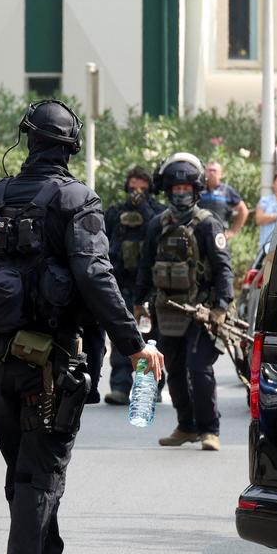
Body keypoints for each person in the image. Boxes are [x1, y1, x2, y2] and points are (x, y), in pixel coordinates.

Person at [0, 100, 164, 554]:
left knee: (26, 475)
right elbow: (95, 275)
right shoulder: (75, 200)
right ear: (71, 146)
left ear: (27, 141)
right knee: (40, 479)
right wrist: (135, 344)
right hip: (51, 361)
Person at [135, 153, 234, 451]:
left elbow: (223, 268)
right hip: (168, 311)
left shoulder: (208, 225)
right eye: (176, 190)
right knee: (174, 369)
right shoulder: (157, 225)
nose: (180, 195)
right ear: (168, 191)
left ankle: (209, 430)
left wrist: (221, 307)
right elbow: (145, 266)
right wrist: (138, 302)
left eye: (186, 190)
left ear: (196, 190)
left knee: (199, 368)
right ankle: (186, 426)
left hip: (203, 311)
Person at [103, 166, 165, 405]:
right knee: (121, 334)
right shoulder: (115, 212)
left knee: (150, 337)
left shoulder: (158, 213)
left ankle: (151, 386)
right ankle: (120, 386)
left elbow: (157, 233)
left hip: (149, 286)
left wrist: (144, 209)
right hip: (121, 283)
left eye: (142, 186)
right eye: (133, 185)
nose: (137, 191)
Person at [199, 159, 249, 236]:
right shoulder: (198, 189)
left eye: (214, 171)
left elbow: (244, 210)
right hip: (198, 234)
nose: (211, 173)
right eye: (209, 170)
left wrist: (232, 232)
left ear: (221, 174)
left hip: (219, 235)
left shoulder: (227, 191)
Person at [255, 171, 277, 250]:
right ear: (273, 184)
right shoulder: (264, 200)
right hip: (266, 247)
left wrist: (268, 217)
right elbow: (259, 219)